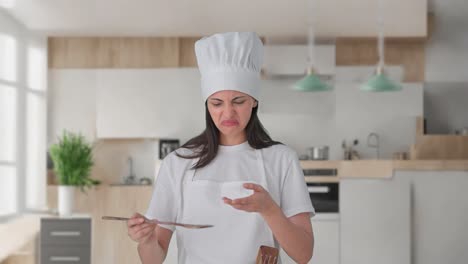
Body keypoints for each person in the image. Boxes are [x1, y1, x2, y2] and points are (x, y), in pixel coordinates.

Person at [127, 32, 315, 264]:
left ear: (254, 100)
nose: (227, 114)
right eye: (217, 103)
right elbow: (152, 259)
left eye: (238, 101)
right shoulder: (177, 163)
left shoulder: (281, 159)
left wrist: (270, 209)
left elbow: (304, 253)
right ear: (207, 104)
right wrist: (146, 241)